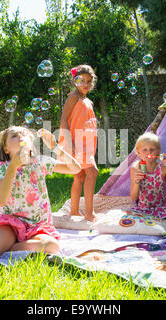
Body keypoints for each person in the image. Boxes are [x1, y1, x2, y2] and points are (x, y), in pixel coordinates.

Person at [0, 127, 81, 258]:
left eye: (24, 134)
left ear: (31, 143)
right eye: (13, 135)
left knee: (52, 246)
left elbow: (75, 168)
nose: (20, 136)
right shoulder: (3, 168)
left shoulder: (40, 162)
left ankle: (1, 246)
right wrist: (13, 166)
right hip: (9, 223)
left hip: (37, 225)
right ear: (6, 148)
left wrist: (55, 147)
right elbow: (1, 200)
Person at [58, 65, 98, 222]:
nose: (86, 84)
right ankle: (89, 213)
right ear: (75, 82)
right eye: (82, 81)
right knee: (92, 171)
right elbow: (63, 120)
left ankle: (74, 211)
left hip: (86, 141)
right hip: (76, 141)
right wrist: (69, 143)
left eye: (89, 81)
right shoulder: (73, 97)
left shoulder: (87, 100)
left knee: (80, 175)